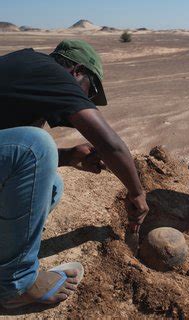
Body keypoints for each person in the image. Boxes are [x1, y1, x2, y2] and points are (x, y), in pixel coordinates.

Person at [0, 39, 149, 308]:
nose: (87, 98)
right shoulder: (50, 71)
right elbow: (109, 143)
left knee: (52, 186)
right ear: (76, 71)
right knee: (37, 144)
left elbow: (10, 157)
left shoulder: (29, 73)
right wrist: (137, 193)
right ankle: (14, 285)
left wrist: (69, 156)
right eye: (89, 90)